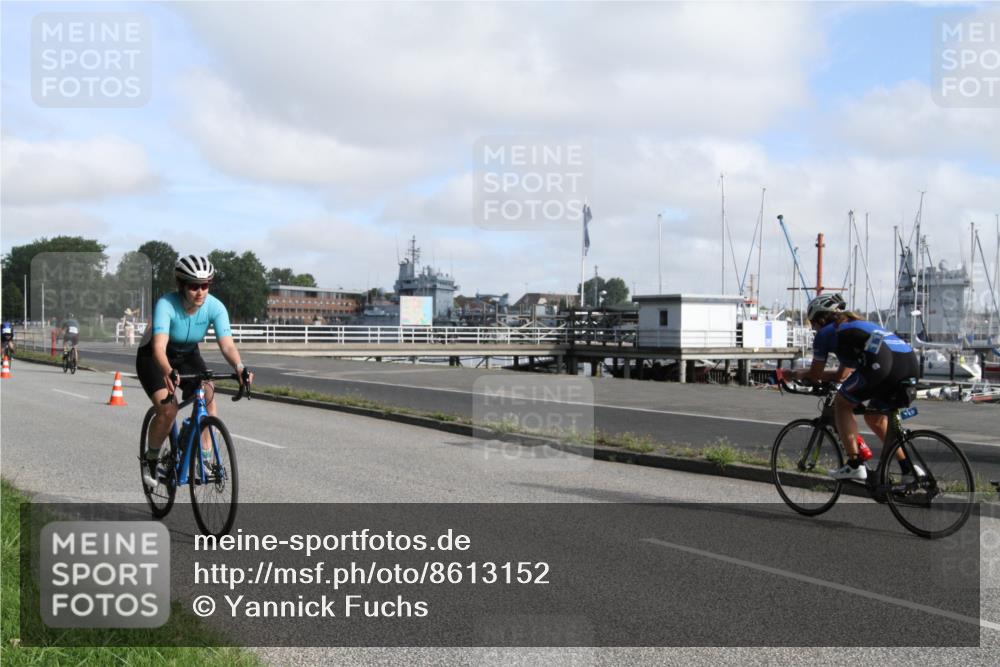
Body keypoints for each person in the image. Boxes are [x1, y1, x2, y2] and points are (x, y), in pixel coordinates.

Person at [136, 255, 253, 488]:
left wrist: (239, 367)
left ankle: (205, 459)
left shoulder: (215, 307)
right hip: (155, 357)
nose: (200, 292)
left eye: (205, 285)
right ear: (181, 285)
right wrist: (168, 371)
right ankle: (151, 458)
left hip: (188, 354)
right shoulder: (166, 304)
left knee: (208, 394)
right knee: (168, 409)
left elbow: (227, 345)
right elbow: (158, 347)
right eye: (193, 286)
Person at [779, 293, 921, 481]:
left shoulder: (826, 332)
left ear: (821, 319)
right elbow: (841, 376)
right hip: (909, 365)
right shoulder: (855, 329)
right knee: (876, 418)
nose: (813, 328)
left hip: (883, 366)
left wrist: (793, 374)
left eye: (813, 323)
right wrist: (811, 375)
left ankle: (855, 465)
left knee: (842, 403)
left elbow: (814, 375)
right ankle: (908, 470)